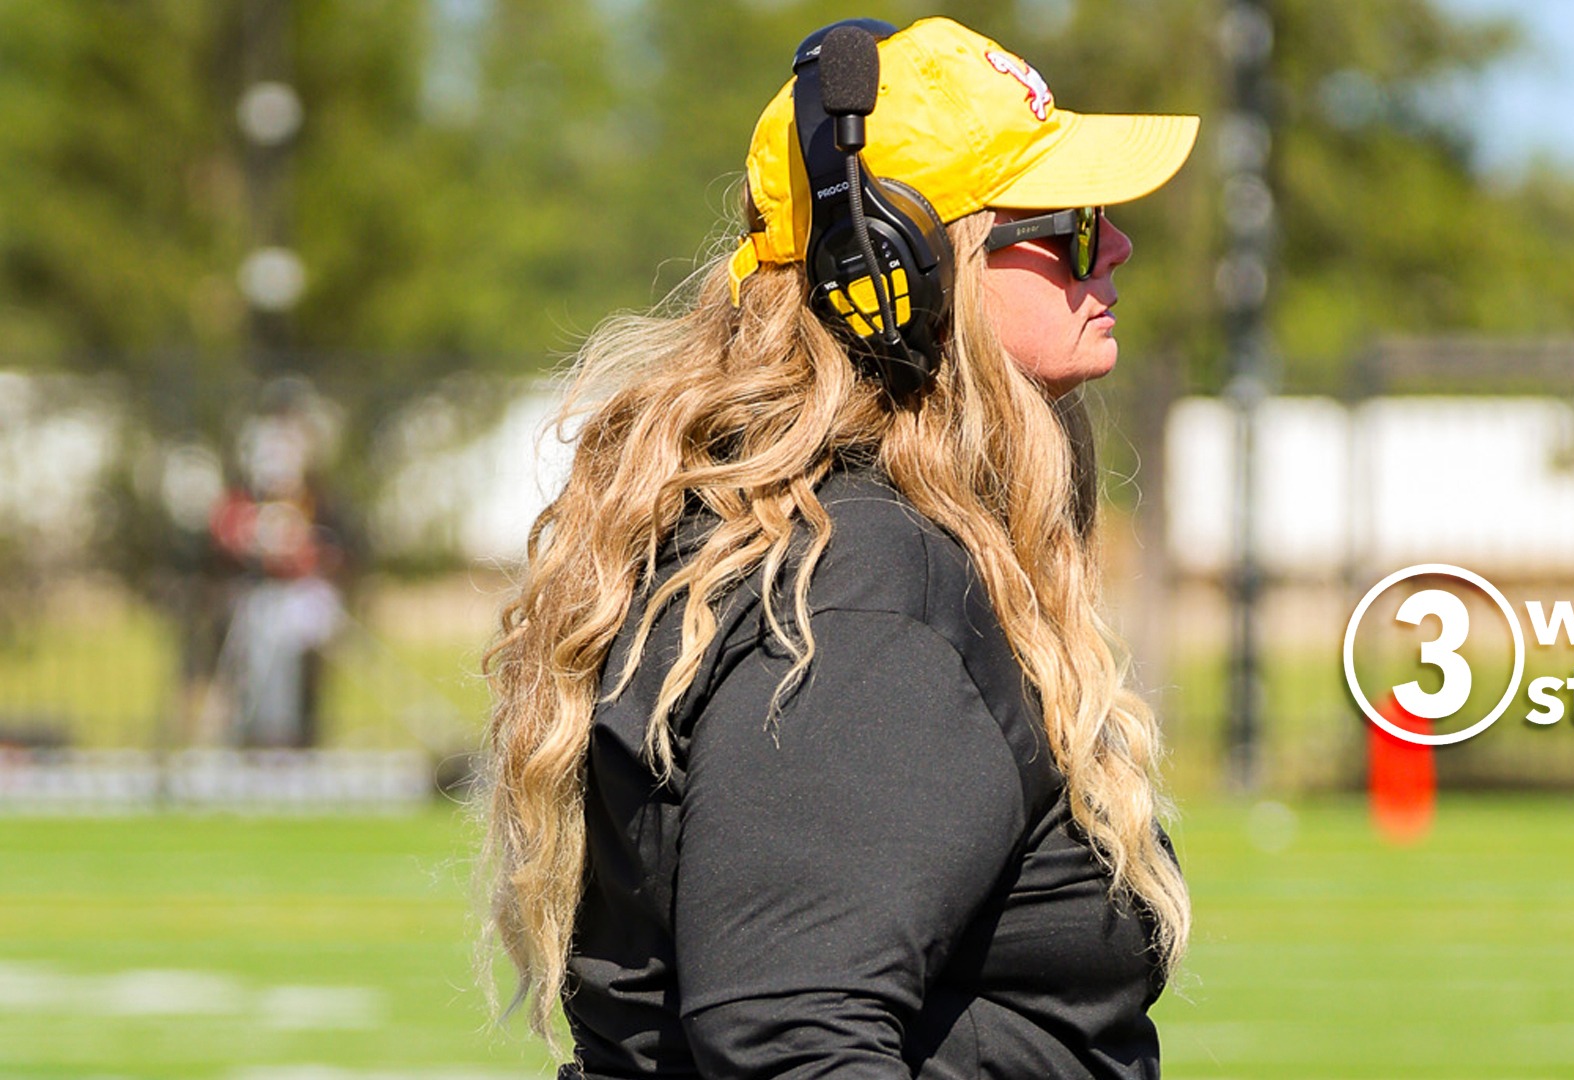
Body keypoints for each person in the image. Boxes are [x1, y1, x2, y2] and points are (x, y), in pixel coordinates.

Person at [482, 16, 1198, 1078]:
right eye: (1070, 227)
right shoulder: (865, 590)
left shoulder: (852, 548)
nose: (1118, 247)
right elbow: (792, 1041)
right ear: (899, 261)